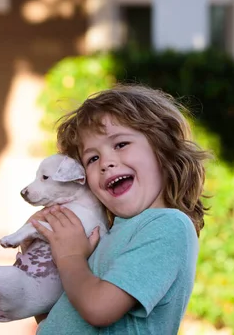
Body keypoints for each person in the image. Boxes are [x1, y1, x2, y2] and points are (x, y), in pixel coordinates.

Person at [31, 84, 210, 334]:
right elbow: (64, 320)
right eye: (92, 159)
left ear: (162, 149)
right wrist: (44, 255)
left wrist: (69, 256)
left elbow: (98, 309)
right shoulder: (109, 235)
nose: (105, 163)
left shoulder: (168, 226)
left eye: (121, 144)